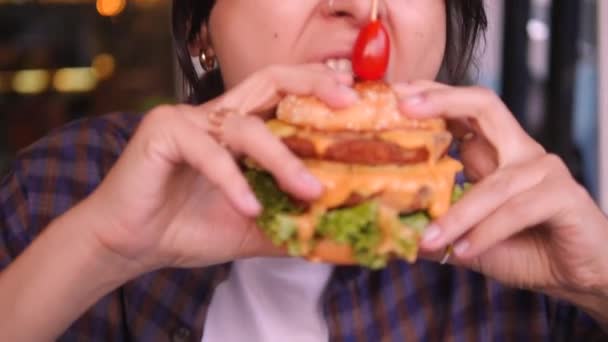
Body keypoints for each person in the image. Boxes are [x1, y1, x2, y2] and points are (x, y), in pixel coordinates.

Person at [1, 1, 607, 341]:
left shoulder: (523, 233)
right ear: (199, 27)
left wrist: (596, 283)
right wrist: (99, 252)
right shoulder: (64, 188)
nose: (358, 8)